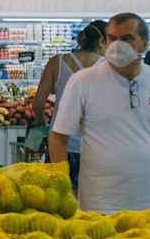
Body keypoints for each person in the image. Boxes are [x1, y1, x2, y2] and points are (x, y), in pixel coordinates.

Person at [50, 12, 150, 219]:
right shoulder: (83, 81)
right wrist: (65, 189)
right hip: (97, 209)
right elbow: (58, 138)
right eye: (112, 38)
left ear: (144, 44)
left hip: (149, 207)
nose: (117, 45)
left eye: (127, 38)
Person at [30, 19, 106, 189]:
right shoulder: (106, 67)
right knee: (90, 205)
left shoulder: (56, 62)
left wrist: (40, 122)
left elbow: (38, 103)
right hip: (94, 146)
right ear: (101, 42)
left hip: (59, 142)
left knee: (58, 200)